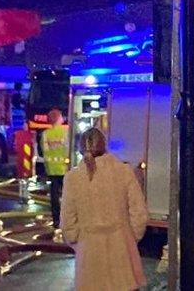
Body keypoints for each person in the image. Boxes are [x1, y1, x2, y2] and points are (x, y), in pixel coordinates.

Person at [61, 128, 148, 291]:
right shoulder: (124, 171)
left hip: (89, 257)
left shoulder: (73, 178)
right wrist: (130, 237)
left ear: (80, 149)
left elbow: (68, 222)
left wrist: (77, 241)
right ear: (105, 145)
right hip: (122, 254)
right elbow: (139, 213)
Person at [41, 108, 69, 227]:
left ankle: (56, 220)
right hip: (64, 169)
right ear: (59, 119)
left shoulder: (45, 134)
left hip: (51, 169)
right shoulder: (66, 132)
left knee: (54, 196)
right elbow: (69, 149)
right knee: (68, 196)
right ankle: (67, 219)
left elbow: (44, 151)